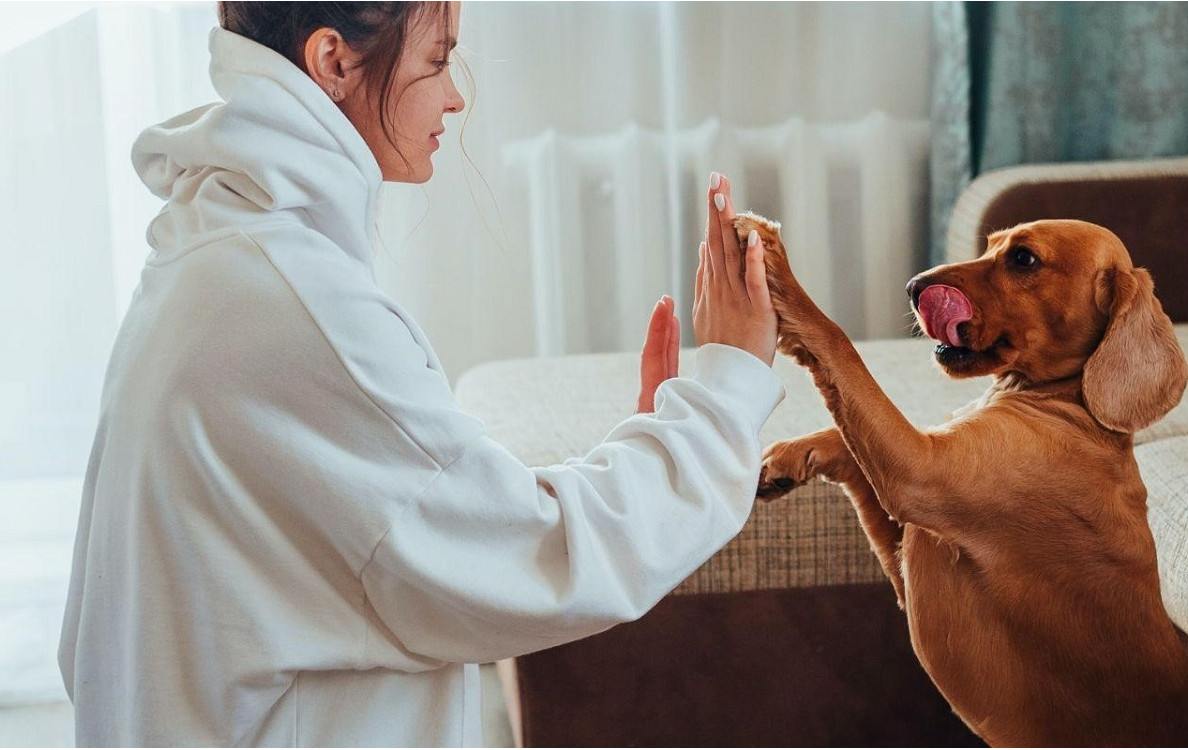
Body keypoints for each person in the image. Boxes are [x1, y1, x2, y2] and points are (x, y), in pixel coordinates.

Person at [57, 2, 782, 745]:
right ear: (333, 60)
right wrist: (726, 387)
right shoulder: (294, 304)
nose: (455, 95)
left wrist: (660, 433)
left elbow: (435, 516)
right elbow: (538, 556)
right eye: (437, 60)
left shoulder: (217, 248)